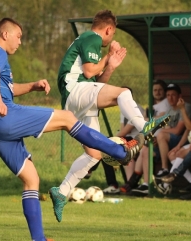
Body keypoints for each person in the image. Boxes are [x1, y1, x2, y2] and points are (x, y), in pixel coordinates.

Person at [0, 18, 145, 241]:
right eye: (19, 36)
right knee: (66, 118)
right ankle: (118, 150)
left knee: (31, 179)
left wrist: (32, 86)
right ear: (5, 34)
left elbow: (7, 87)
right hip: (2, 116)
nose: (20, 42)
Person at [49, 9, 170, 222]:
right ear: (109, 29)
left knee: (94, 154)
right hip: (75, 90)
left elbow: (97, 86)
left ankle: (62, 190)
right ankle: (145, 127)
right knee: (123, 92)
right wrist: (108, 56)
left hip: (78, 98)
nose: (111, 39)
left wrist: (110, 65)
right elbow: (88, 73)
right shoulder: (91, 37)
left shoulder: (88, 41)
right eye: (112, 35)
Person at [118, 79, 171, 195]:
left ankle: (145, 184)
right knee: (129, 152)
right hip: (148, 139)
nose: (157, 92)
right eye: (155, 90)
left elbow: (157, 121)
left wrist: (148, 120)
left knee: (144, 150)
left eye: (160, 90)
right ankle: (131, 184)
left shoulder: (166, 104)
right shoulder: (153, 106)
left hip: (159, 141)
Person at [157, 85, 191, 194]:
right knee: (173, 154)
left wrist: (182, 109)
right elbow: (188, 128)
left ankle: (170, 179)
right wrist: (179, 146)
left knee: (189, 151)